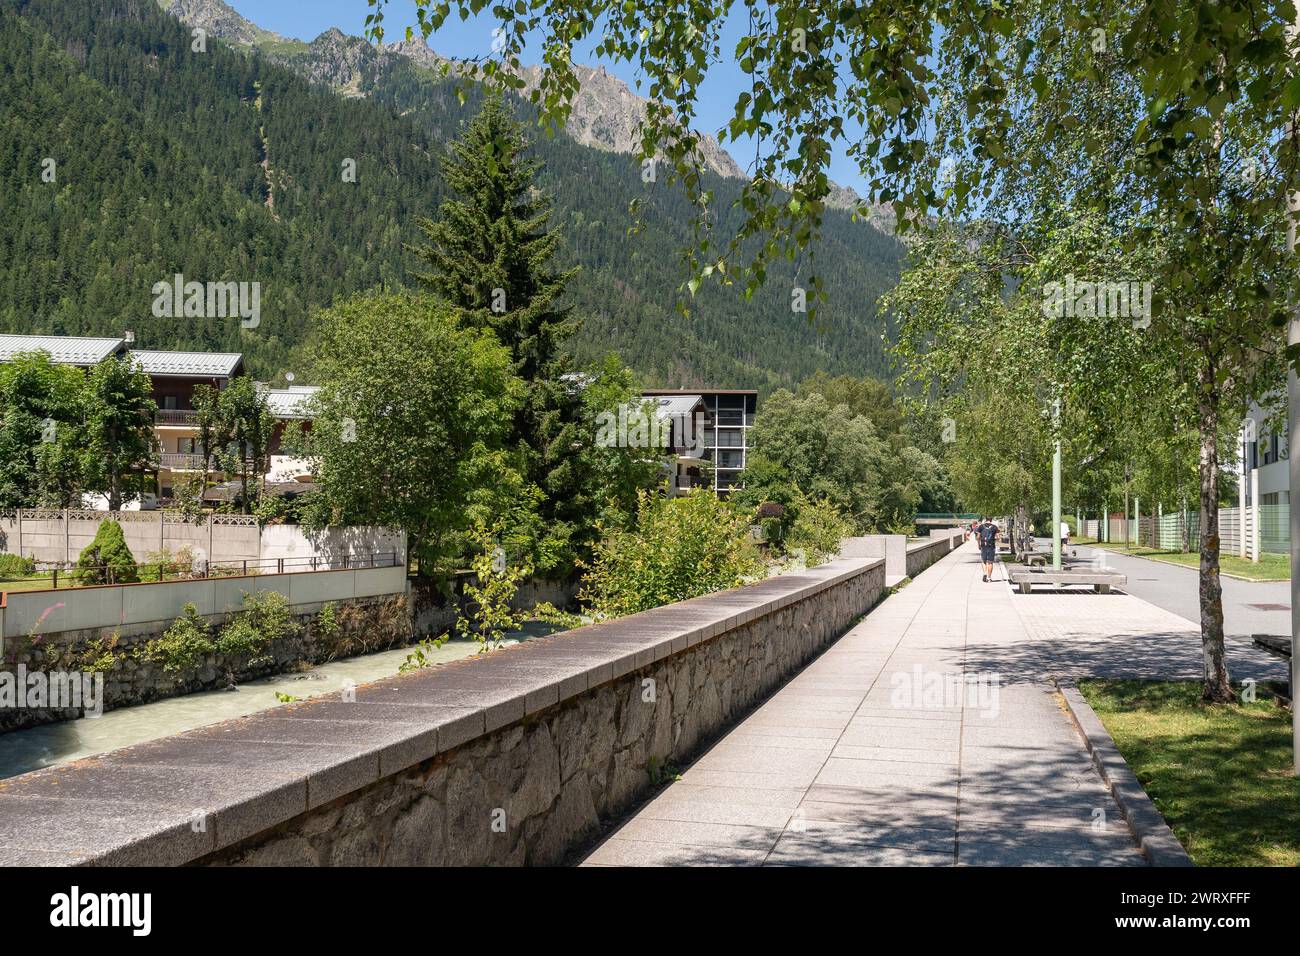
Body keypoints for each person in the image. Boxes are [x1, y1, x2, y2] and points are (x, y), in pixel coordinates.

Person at [976, 516, 1000, 582]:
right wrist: (995, 539)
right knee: (990, 562)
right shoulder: (994, 527)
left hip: (983, 545)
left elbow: (978, 537)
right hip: (991, 545)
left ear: (985, 519)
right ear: (991, 520)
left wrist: (979, 545)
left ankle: (985, 573)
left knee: (983, 560)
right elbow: (998, 537)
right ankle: (989, 578)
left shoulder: (981, 527)